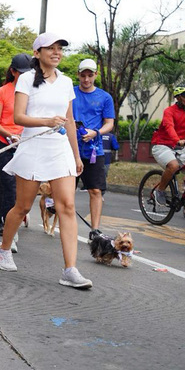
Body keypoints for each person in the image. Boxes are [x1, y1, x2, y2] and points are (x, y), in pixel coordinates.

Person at [0, 32, 92, 289]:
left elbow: (69, 121)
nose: (57, 52)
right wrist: (46, 121)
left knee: (67, 206)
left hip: (59, 148)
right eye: (51, 48)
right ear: (37, 53)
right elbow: (18, 117)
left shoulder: (66, 81)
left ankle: (70, 270)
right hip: (33, 145)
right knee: (23, 207)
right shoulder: (26, 79)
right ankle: (4, 249)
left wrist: (76, 154)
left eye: (60, 48)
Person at [72, 59, 115, 240]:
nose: (87, 79)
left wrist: (95, 132)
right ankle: (61, 222)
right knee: (65, 190)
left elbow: (109, 123)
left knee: (95, 190)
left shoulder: (105, 97)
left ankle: (95, 229)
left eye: (90, 75)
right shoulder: (70, 94)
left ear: (96, 75)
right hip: (70, 149)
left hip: (93, 150)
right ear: (78, 75)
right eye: (83, 75)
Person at [0, 53, 32, 244]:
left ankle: (15, 217)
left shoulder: (33, 91)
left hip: (27, 144)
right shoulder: (2, 92)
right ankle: (5, 223)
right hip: (4, 145)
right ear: (13, 71)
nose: (24, 76)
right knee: (7, 185)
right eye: (20, 72)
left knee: (21, 187)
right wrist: (9, 134)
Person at [150, 84, 185, 210]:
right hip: (162, 144)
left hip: (181, 146)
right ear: (178, 98)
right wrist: (177, 140)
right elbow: (169, 127)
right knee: (173, 166)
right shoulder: (169, 111)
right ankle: (160, 191)